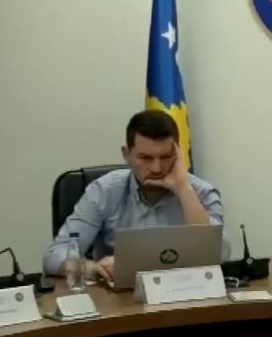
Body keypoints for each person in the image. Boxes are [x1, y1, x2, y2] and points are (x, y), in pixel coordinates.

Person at [43, 110, 226, 285]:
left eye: (166, 157)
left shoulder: (201, 192)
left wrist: (183, 189)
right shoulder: (104, 191)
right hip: (121, 297)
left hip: (186, 292)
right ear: (126, 154)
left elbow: (220, 255)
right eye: (146, 158)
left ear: (178, 155)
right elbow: (54, 255)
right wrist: (92, 268)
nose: (156, 168)